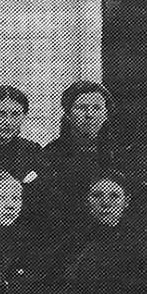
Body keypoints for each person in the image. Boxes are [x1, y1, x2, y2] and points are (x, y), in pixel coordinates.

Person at [43, 81, 126, 236]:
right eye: (81, 108)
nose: (89, 114)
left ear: (106, 114)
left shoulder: (122, 154)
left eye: (97, 108)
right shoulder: (50, 154)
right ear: (68, 114)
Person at [0, 86, 53, 234]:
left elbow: (44, 197)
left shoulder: (32, 151)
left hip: (25, 232)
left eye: (15, 114)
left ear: (24, 116)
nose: (8, 122)